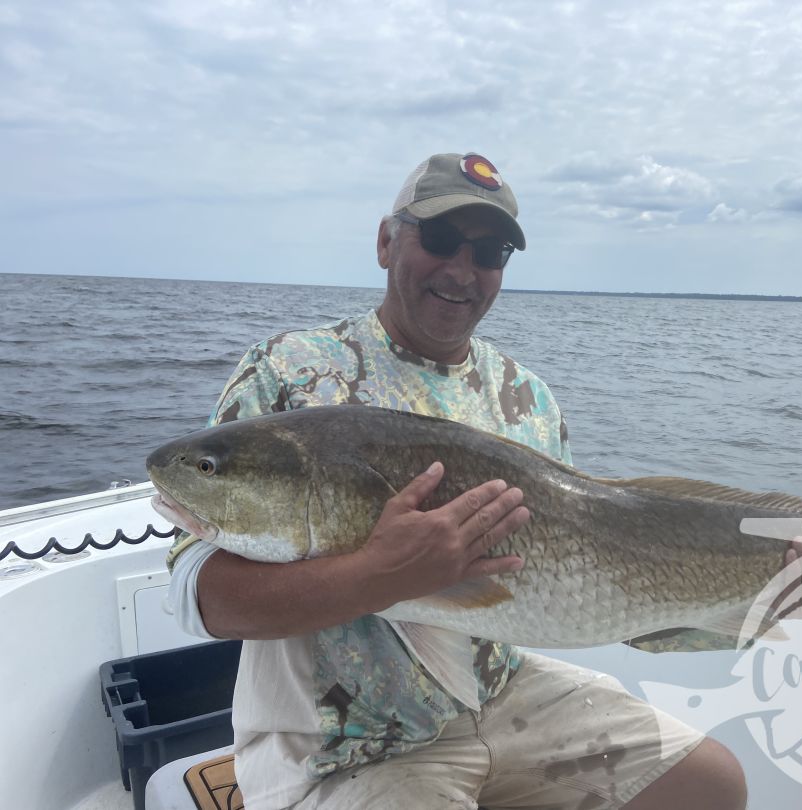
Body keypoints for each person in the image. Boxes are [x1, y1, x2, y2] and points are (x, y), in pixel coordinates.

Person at [167, 152, 749, 810]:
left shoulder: (528, 400)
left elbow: (616, 571)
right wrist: (379, 573)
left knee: (710, 785)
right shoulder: (290, 372)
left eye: (490, 252)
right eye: (441, 240)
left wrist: (757, 601)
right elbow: (203, 596)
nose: (462, 270)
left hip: (500, 694)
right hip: (342, 745)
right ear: (387, 241)